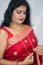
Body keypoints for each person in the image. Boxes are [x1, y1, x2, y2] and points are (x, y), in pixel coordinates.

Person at [0, 0, 43, 65]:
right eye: (19, 12)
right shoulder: (4, 32)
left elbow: (33, 47)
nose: (22, 15)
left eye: (24, 13)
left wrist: (41, 48)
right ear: (10, 12)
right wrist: (20, 64)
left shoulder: (28, 28)